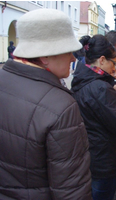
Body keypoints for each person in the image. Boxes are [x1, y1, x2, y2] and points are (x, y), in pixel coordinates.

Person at [0, 9, 92, 199]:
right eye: (68, 51)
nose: (73, 58)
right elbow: (72, 189)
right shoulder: (60, 105)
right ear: (44, 57)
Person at [71, 34, 116, 200]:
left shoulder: (81, 77)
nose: (115, 67)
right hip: (103, 159)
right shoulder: (100, 88)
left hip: (90, 153)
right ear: (102, 60)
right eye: (113, 62)